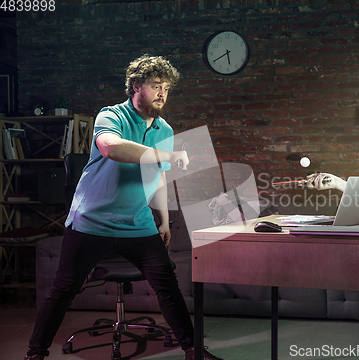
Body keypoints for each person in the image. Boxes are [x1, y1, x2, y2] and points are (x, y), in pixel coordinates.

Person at [25, 55, 222, 360]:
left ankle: (194, 350)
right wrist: (163, 155)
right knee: (63, 289)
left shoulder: (164, 130)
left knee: (167, 284)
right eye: (156, 86)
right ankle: (35, 354)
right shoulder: (111, 115)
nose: (162, 93)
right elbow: (111, 148)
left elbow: (156, 176)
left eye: (166, 89)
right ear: (135, 86)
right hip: (92, 222)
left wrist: (164, 221)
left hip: (137, 224)